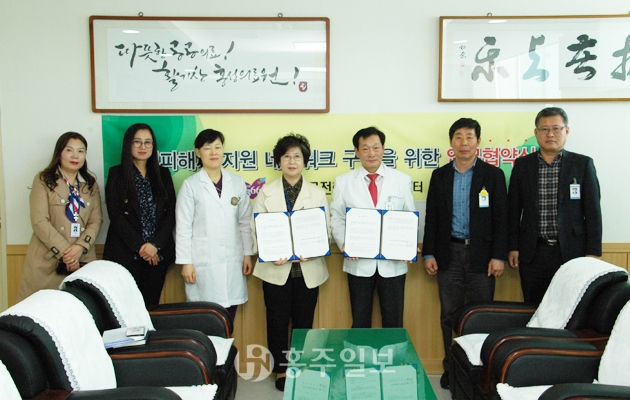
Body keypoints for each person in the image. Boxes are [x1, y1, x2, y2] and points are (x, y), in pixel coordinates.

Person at [422, 118, 508, 389]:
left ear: (478, 142)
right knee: (449, 316)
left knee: (481, 316)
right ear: (451, 142)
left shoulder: (493, 175)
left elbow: (502, 219)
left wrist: (499, 256)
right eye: (458, 137)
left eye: (469, 137)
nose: (464, 142)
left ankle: (480, 373)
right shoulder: (440, 176)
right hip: (448, 253)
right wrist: (429, 253)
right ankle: (452, 369)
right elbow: (432, 218)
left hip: (482, 256)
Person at [252, 134, 330, 391]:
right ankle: (281, 369)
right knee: (276, 322)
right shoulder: (265, 193)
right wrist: (269, 252)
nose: (292, 161)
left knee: (303, 322)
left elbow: (326, 230)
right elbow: (255, 229)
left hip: (307, 269)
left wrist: (315, 250)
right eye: (286, 156)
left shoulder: (317, 193)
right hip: (275, 269)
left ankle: (300, 367)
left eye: (297, 156)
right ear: (279, 161)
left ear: (305, 161)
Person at [508, 107, 602, 304]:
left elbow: (593, 212)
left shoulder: (582, 164)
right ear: (536, 133)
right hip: (533, 252)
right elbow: (513, 211)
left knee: (570, 306)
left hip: (571, 251)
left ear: (566, 131)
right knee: (534, 307)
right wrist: (513, 247)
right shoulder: (523, 165)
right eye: (544, 129)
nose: (550, 134)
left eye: (556, 128)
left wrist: (593, 252)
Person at [330, 126, 416, 328]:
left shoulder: (402, 180)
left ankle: (394, 351)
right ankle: (360, 351)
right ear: (357, 151)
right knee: (360, 321)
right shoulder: (343, 182)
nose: (371, 153)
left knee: (394, 322)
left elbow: (409, 217)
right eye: (365, 148)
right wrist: (344, 243)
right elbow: (337, 218)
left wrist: (408, 245)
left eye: (376, 147)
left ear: (383, 149)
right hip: (359, 262)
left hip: (393, 263)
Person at [175, 129, 255, 321]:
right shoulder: (191, 185)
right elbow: (183, 226)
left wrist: (247, 253)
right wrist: (186, 262)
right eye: (207, 148)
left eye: (217, 147)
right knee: (205, 319)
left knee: (229, 319)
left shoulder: (237, 182)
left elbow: (245, 222)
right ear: (198, 152)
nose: (213, 152)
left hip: (233, 260)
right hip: (202, 263)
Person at [17, 132, 102, 302]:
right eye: (69, 150)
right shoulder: (43, 180)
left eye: (80, 151)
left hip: (82, 260)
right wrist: (66, 253)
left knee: (80, 309)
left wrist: (80, 248)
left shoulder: (90, 184)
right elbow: (39, 221)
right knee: (42, 309)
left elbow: (96, 220)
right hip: (48, 260)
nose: (75, 156)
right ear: (59, 153)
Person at [103, 123, 176, 308]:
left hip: (157, 256)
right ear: (128, 144)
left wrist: (155, 246)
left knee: (150, 307)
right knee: (125, 308)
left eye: (148, 142)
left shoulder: (163, 174)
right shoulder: (116, 174)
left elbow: (170, 214)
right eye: (137, 142)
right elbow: (116, 215)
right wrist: (141, 247)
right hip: (126, 254)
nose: (143, 146)